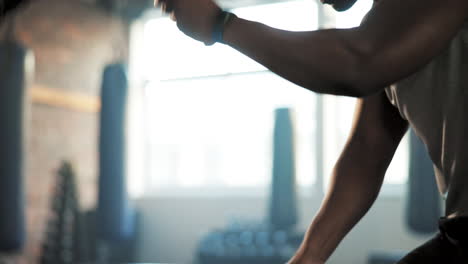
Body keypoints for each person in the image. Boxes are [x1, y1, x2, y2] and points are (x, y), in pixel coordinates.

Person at [154, 0, 468, 263]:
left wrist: (220, 25)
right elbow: (366, 153)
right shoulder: (387, 26)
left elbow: (358, 62)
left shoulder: (378, 45)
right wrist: (307, 257)